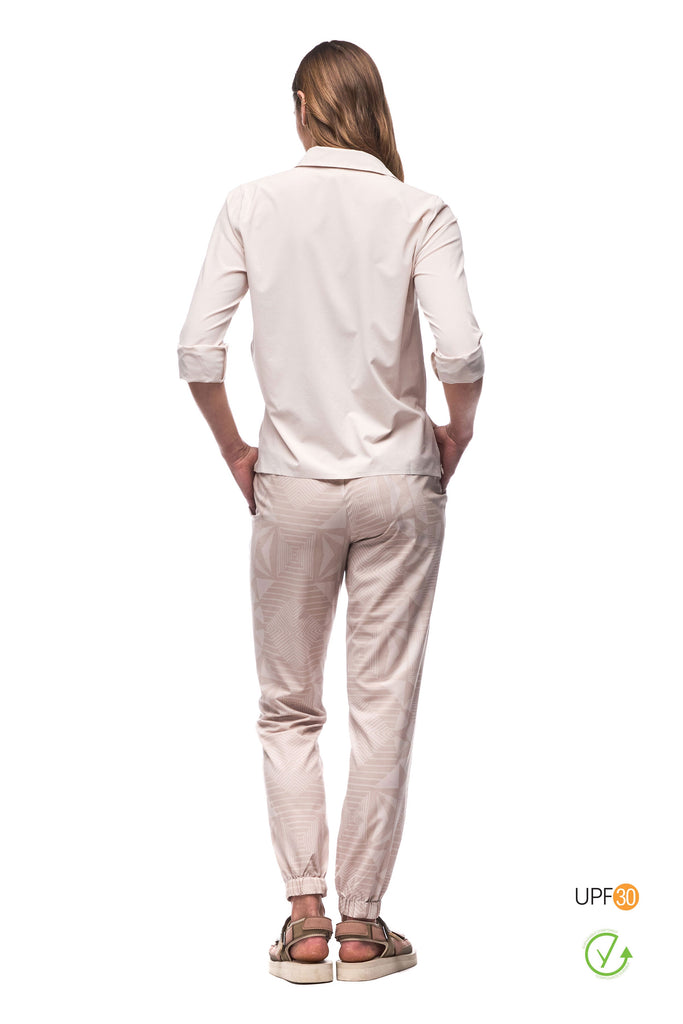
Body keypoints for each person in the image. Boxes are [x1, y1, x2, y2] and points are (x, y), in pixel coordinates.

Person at [177, 39, 485, 984]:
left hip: (291, 485)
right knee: (381, 706)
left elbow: (196, 350)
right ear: (374, 108)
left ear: (303, 107)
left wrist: (235, 450)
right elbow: (460, 352)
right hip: (400, 482)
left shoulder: (251, 204)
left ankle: (303, 922)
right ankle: (363, 926)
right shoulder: (420, 210)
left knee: (288, 705)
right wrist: (457, 432)